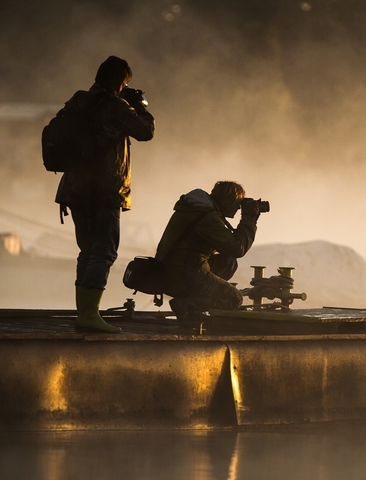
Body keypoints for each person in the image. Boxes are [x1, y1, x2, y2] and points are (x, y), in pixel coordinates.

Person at [55, 56, 155, 333]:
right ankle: (89, 315)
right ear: (121, 82)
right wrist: (139, 105)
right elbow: (146, 132)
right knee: (105, 251)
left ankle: (85, 312)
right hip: (103, 191)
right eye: (125, 83)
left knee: (88, 251)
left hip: (74, 189)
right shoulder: (114, 105)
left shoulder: (79, 100)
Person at [155, 181, 261, 324]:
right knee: (234, 298)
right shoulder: (206, 217)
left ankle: (194, 302)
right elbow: (237, 248)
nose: (238, 208)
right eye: (238, 203)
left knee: (228, 262)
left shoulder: (197, 210)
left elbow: (229, 249)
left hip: (174, 270)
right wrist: (249, 219)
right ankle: (187, 304)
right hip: (182, 275)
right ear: (229, 200)